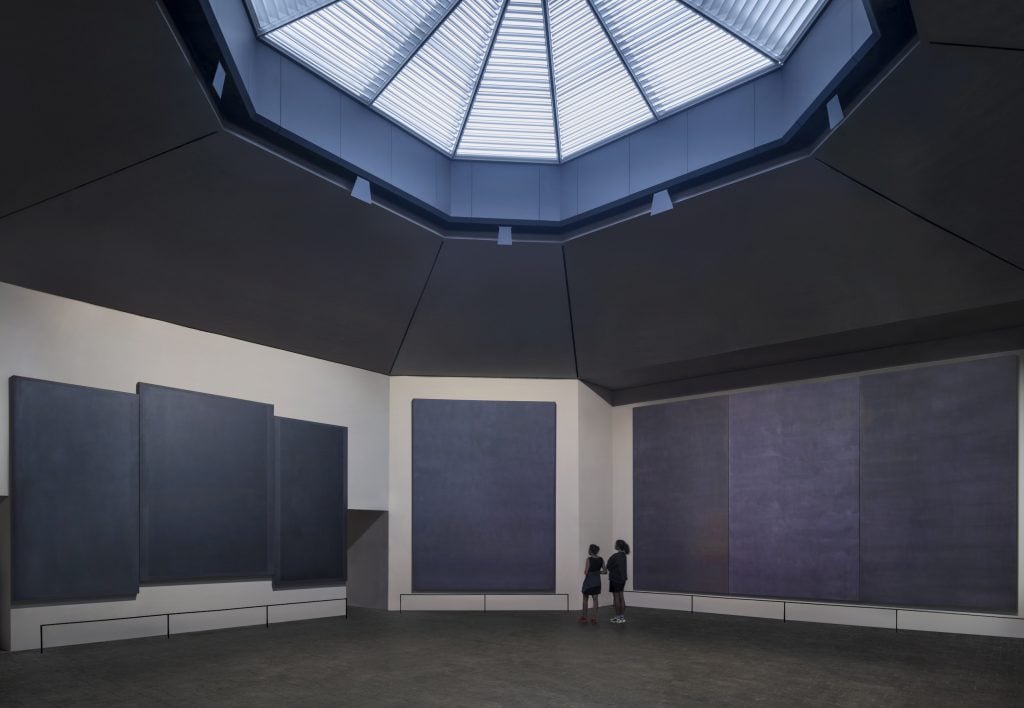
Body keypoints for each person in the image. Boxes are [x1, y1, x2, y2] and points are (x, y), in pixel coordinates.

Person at [606, 539, 630, 623]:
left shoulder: (615, 556)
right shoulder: (624, 555)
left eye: (615, 544)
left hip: (615, 579)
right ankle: (622, 617)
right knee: (621, 597)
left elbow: (608, 566)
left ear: (618, 546)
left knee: (616, 597)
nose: (614, 545)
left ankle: (618, 617)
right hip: (622, 579)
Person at [579, 544, 604, 624]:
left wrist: (590, 572)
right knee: (595, 599)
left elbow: (586, 572)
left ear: (591, 551)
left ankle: (584, 617)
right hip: (597, 582)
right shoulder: (601, 559)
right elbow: (605, 571)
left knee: (585, 599)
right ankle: (594, 618)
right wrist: (598, 572)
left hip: (589, 582)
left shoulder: (589, 559)